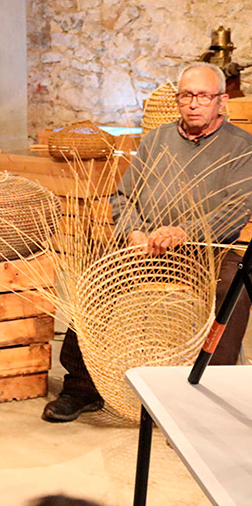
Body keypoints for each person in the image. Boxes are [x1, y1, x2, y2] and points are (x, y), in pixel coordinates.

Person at [43, 62, 252, 422]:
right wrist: (133, 231)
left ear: (221, 100)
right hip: (147, 245)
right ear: (177, 100)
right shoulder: (157, 140)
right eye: (187, 95)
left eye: (203, 96)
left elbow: (237, 210)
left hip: (205, 251)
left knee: (236, 284)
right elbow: (125, 196)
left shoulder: (241, 146)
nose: (194, 103)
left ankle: (212, 398)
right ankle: (81, 387)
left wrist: (185, 233)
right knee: (94, 276)